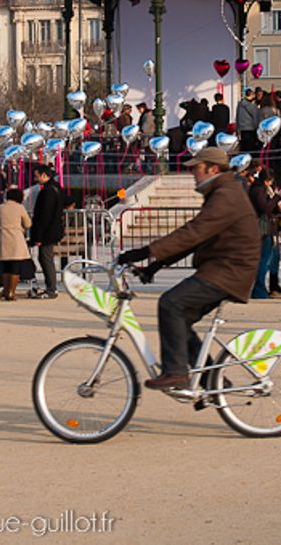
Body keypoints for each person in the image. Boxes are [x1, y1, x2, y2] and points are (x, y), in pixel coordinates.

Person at [117, 147, 260, 390]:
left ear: (212, 169)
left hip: (229, 270)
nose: (193, 173)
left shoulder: (226, 195)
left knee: (171, 303)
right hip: (223, 268)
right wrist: (154, 266)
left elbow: (193, 233)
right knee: (179, 319)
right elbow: (198, 237)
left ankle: (176, 372)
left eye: (196, 168)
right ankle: (213, 382)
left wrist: (146, 251)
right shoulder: (222, 192)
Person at [29, 165, 65, 299]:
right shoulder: (56, 188)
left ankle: (51, 288)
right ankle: (51, 286)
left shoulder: (48, 191)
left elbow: (45, 214)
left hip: (48, 230)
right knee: (45, 257)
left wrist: (38, 235)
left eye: (37, 175)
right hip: (53, 228)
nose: (35, 178)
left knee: (46, 257)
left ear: (44, 175)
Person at [249, 167, 281, 298]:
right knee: (264, 259)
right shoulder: (258, 191)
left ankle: (261, 288)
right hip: (263, 229)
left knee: (266, 259)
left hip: (264, 227)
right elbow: (265, 208)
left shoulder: (257, 189)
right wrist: (275, 198)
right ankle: (259, 289)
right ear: (266, 181)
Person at [0, 187, 33, 301]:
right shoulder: (20, 208)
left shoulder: (0, 208)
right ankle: (11, 292)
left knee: (5, 266)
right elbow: (28, 223)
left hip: (3, 238)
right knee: (15, 267)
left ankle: (5, 291)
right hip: (16, 238)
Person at [236, 88, 259, 153]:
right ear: (251, 95)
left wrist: (237, 128)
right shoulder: (253, 106)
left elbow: (237, 116)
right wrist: (257, 127)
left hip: (242, 128)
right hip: (251, 128)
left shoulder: (240, 104)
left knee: (244, 146)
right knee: (250, 147)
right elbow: (255, 117)